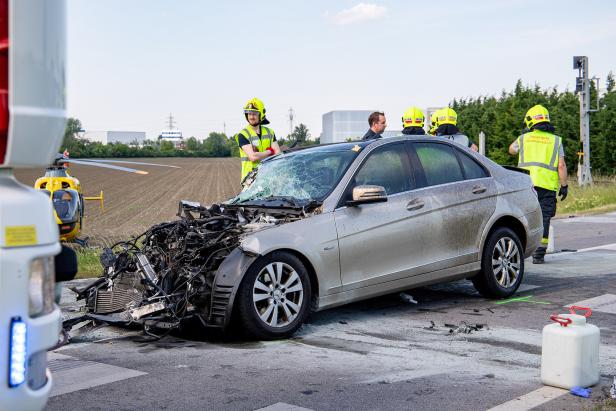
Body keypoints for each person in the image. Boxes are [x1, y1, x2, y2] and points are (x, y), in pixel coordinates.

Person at [508, 104, 568, 264]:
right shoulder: (556, 141)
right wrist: (564, 185)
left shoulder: (523, 139)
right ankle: (539, 254)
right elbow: (561, 165)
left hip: (526, 185)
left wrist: (523, 137)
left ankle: (520, 249)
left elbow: (511, 150)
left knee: (523, 216)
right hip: (547, 187)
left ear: (530, 121)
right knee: (545, 218)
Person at [234, 97, 281, 181]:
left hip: (268, 177)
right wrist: (269, 151)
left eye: (254, 114)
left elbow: (278, 154)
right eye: (249, 114)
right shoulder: (243, 134)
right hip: (250, 180)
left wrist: (261, 154)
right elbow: (253, 157)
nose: (251, 117)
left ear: (261, 115)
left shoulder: (270, 132)